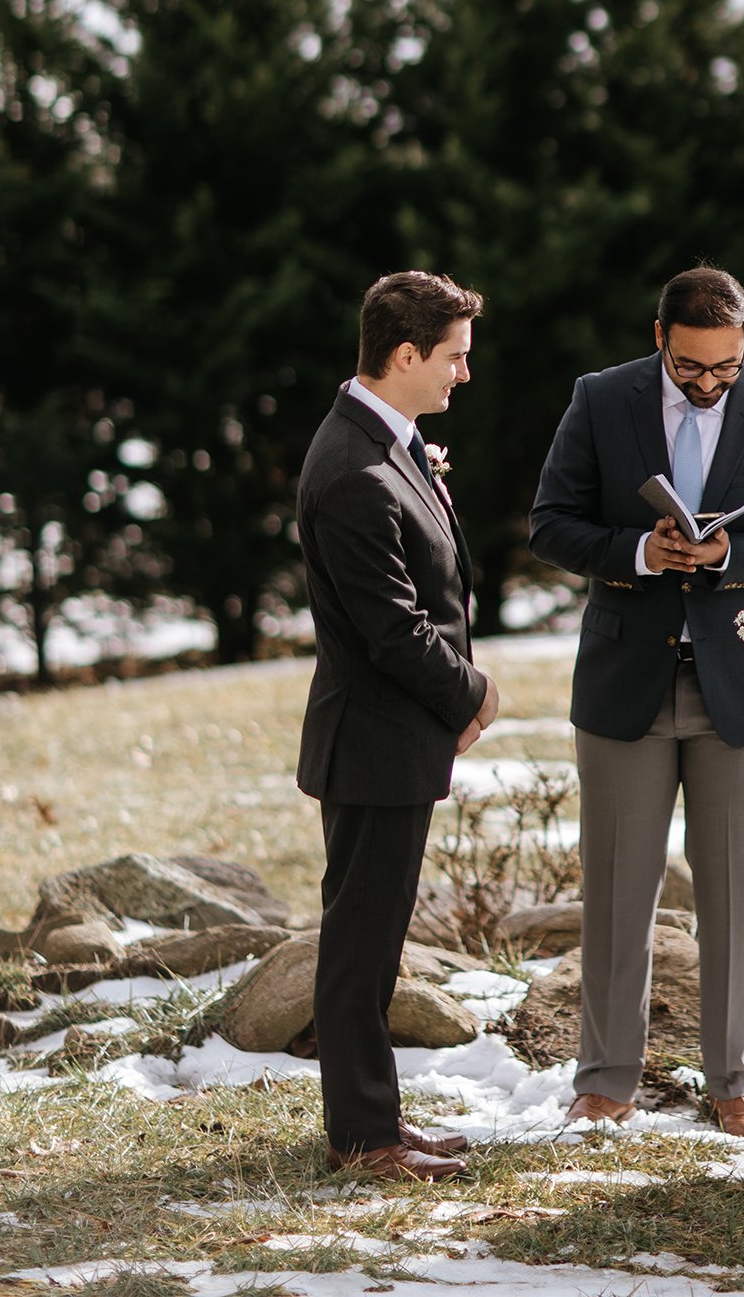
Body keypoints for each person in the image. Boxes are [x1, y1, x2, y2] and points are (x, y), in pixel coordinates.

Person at [528, 265, 744, 1137]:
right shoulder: (600, 398)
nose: (708, 384)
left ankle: (733, 1079)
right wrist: (638, 551)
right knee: (618, 886)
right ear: (659, 336)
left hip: (741, 684)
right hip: (626, 678)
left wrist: (731, 555)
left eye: (725, 369)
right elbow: (550, 521)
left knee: (737, 892)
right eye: (691, 368)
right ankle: (605, 1080)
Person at [295, 270, 500, 1182]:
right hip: (373, 741)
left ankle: (375, 1120)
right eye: (454, 357)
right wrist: (473, 695)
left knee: (373, 945)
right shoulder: (352, 470)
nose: (465, 374)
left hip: (395, 738)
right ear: (405, 354)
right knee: (359, 947)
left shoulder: (391, 442)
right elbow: (392, 630)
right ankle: (362, 1140)